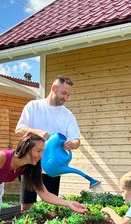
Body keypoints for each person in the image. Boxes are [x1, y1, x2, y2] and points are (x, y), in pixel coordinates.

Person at [0, 133, 87, 223]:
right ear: (27, 149)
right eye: (38, 151)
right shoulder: (2, 157)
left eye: (43, 151)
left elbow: (45, 194)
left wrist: (68, 204)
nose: (41, 156)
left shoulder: (29, 167)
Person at [15, 75, 82, 210]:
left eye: (68, 95)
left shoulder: (67, 115)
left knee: (51, 207)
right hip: (30, 162)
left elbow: (76, 140)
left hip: (53, 166)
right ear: (53, 88)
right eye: (63, 93)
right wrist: (38, 132)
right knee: (27, 204)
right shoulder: (33, 106)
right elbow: (19, 129)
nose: (65, 98)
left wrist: (72, 144)